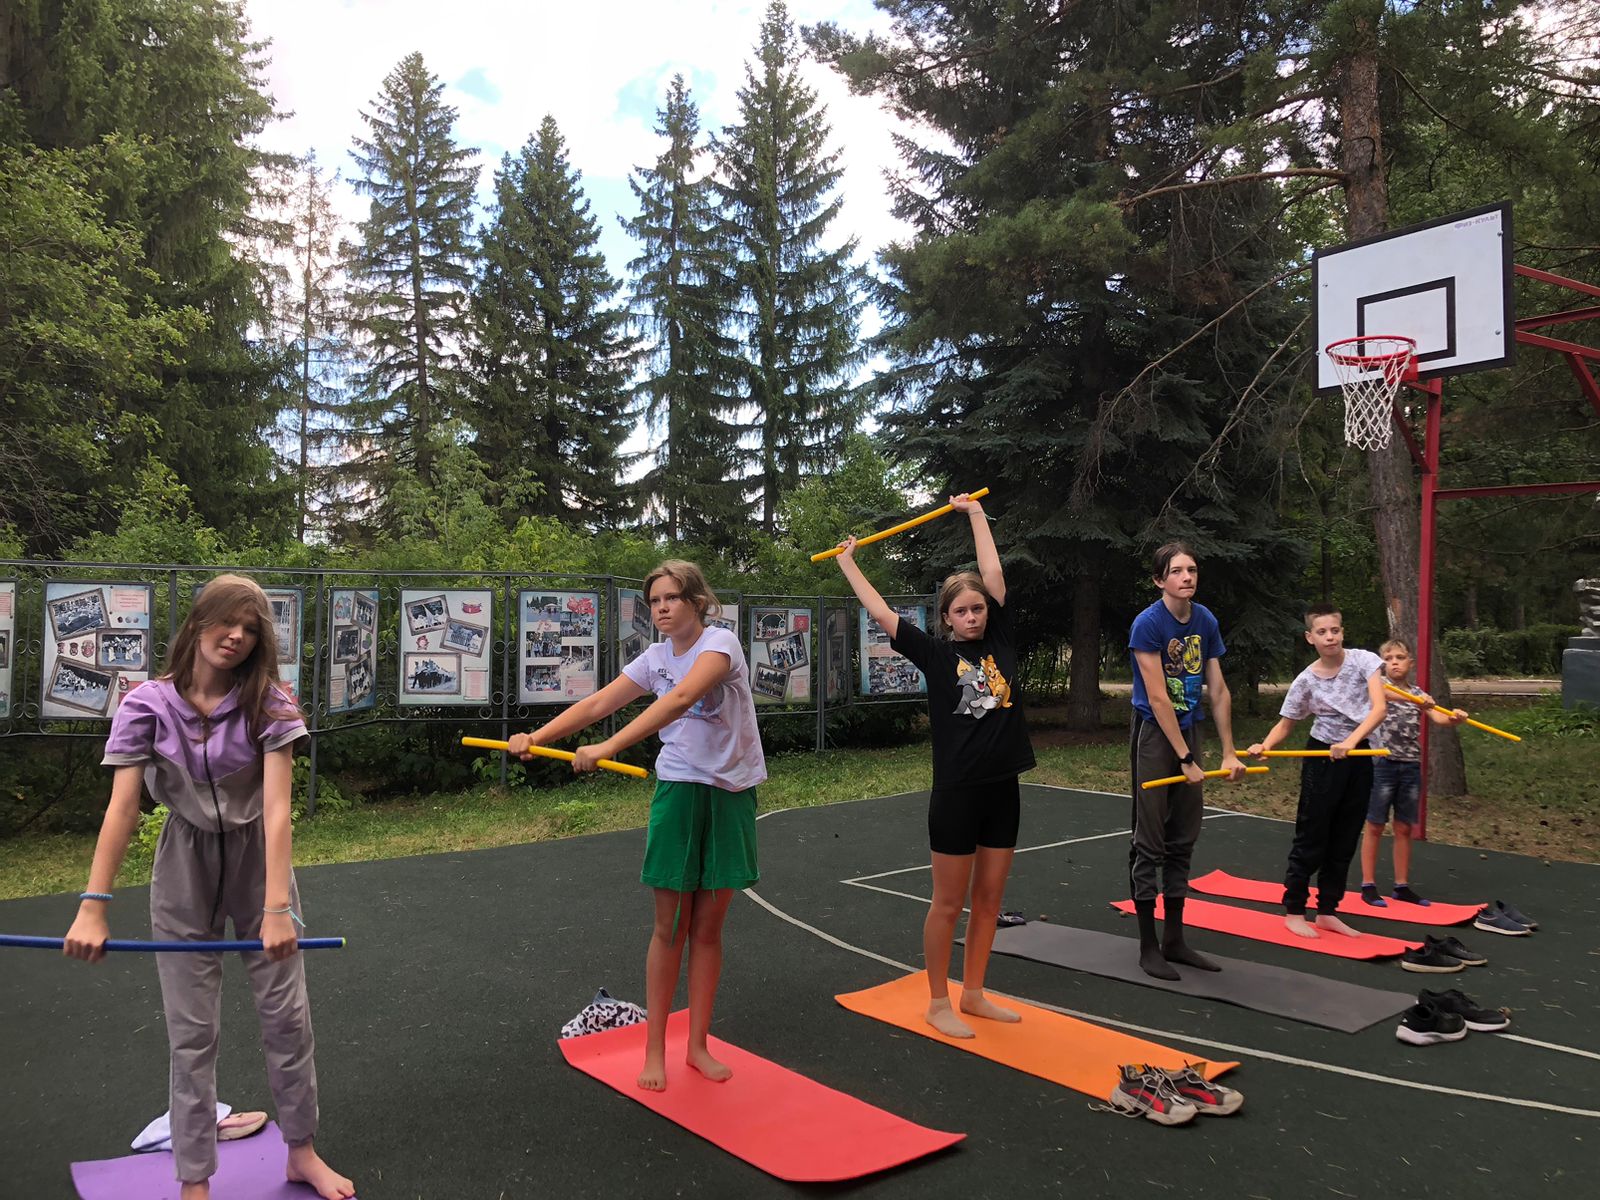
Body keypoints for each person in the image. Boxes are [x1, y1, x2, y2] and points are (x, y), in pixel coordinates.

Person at [62, 575, 352, 1200]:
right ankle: (194, 1180)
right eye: (227, 621)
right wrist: (93, 906)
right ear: (197, 623)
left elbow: (277, 810)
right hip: (183, 866)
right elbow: (122, 808)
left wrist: (278, 908)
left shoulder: (270, 703)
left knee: (286, 1017)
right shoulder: (145, 704)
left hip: (258, 862)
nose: (237, 636)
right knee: (191, 1032)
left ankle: (301, 1152)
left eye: (251, 629)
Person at [508, 560, 764, 1092]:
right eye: (655, 601)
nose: (662, 608)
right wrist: (537, 736)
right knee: (671, 926)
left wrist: (608, 746)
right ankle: (655, 1050)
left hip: (731, 791)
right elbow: (601, 701)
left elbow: (681, 698)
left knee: (708, 928)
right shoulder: (654, 657)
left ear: (697, 602)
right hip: (679, 788)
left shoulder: (720, 644)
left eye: (672, 598)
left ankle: (697, 1045)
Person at [834, 493, 1035, 1039]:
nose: (972, 616)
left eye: (978, 609)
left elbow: (993, 573)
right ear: (946, 618)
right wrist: (849, 563)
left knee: (989, 901)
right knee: (947, 903)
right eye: (961, 611)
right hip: (957, 794)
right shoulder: (936, 655)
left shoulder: (1000, 639)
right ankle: (938, 1000)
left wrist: (976, 515)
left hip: (1003, 789)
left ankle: (974, 993)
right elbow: (881, 613)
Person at [1128, 543, 1245, 979]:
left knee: (1183, 837)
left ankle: (1174, 940)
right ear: (1160, 580)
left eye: (1191, 570)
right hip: (1155, 736)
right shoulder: (1148, 624)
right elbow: (1158, 698)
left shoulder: (1205, 620)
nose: (1187, 577)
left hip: (1189, 731)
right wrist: (1185, 757)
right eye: (1177, 571)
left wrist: (1229, 751)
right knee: (1149, 840)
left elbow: (1218, 689)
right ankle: (1148, 945)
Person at [1246, 604, 1387, 938]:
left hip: (1359, 754)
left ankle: (1327, 910)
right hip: (1322, 756)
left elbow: (1379, 709)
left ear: (1342, 632)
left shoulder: (1364, 661)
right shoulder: (1306, 680)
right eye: (1322, 632)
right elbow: (1286, 724)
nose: (1330, 637)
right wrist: (1265, 745)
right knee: (1312, 835)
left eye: (1335, 630)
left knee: (1346, 835)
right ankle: (1295, 910)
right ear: (1310, 637)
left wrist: (1350, 742)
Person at [1359, 639, 1466, 907]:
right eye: (1388, 659)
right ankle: (1368, 885)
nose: (1394, 662)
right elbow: (1386, 695)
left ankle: (1401, 886)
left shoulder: (1419, 693)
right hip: (1382, 763)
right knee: (1375, 824)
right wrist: (1417, 700)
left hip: (1410, 765)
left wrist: (1455, 718)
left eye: (1399, 657)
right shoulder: (1379, 686)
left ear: (1410, 663)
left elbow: (1439, 718)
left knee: (1404, 827)